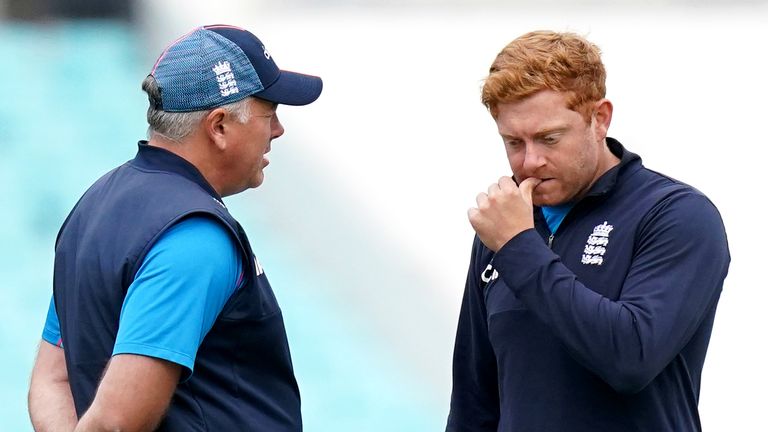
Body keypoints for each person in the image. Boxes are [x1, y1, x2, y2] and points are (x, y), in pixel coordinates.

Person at [28, 24, 322, 431]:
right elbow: (115, 422)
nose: (277, 130)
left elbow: (52, 380)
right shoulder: (194, 236)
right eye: (268, 113)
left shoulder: (93, 207)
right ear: (219, 126)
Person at [446, 30, 730, 431]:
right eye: (513, 142)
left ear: (599, 119)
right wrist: (514, 243)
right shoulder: (504, 229)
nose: (530, 161)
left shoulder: (677, 216)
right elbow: (474, 404)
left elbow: (631, 358)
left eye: (549, 139)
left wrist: (519, 248)